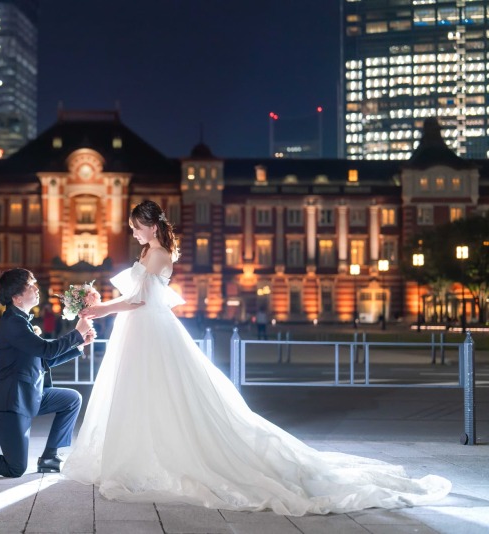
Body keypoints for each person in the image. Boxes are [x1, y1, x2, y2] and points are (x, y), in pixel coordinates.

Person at [62, 200, 450, 516]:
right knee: (137, 392)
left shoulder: (160, 255)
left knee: (162, 391)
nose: (132, 233)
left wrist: (101, 311)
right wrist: (100, 302)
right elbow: (135, 294)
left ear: (149, 226)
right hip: (141, 330)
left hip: (148, 328)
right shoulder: (150, 251)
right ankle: (134, 451)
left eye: (135, 227)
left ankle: (151, 455)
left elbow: (141, 299)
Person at [0, 268, 96, 478]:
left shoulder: (21, 321)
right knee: (15, 468)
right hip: (11, 403)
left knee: (71, 399)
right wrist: (77, 333)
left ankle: (50, 456)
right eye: (31, 286)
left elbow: (43, 360)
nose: (36, 289)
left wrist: (79, 345)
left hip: (29, 395)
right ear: (17, 297)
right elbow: (46, 350)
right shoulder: (13, 323)